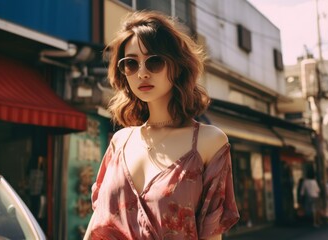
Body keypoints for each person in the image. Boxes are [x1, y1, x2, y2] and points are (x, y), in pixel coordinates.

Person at [84, 10, 239, 240]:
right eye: (131, 64)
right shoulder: (120, 141)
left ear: (176, 66)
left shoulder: (209, 142)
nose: (142, 73)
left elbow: (211, 234)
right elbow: (96, 226)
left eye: (154, 61)